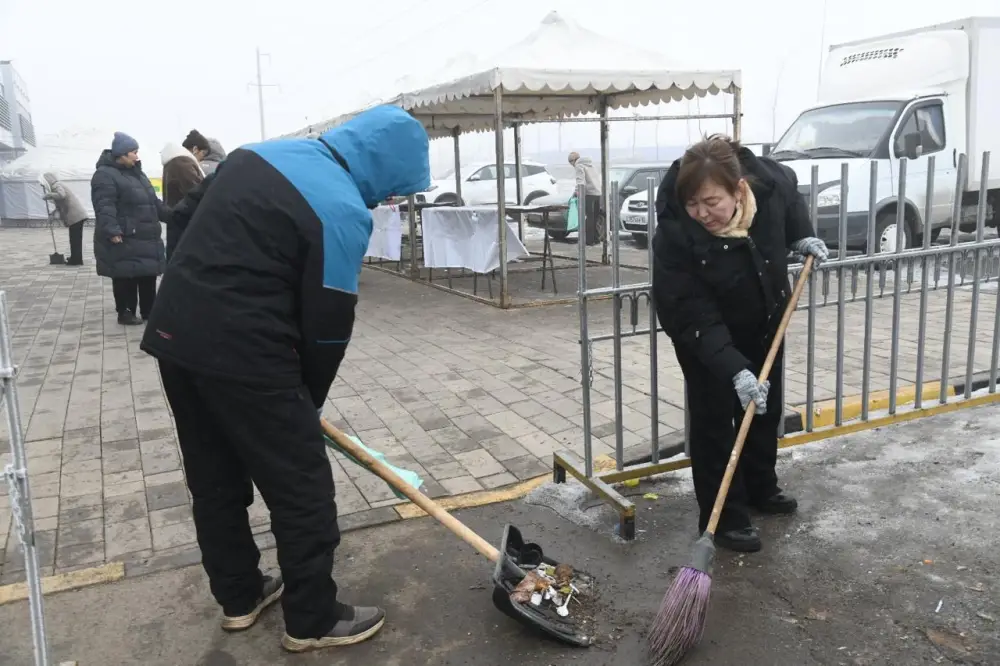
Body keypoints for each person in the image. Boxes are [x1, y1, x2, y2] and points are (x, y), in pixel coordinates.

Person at [139, 105, 430, 652]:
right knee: (302, 488)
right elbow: (327, 328)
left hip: (175, 335)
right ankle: (312, 617)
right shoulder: (341, 208)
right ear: (383, 165)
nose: (386, 199)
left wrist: (192, 286)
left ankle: (240, 597)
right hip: (249, 353)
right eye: (394, 187)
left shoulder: (259, 152)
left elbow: (180, 216)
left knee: (214, 476)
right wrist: (305, 402)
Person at [652, 135, 828, 553]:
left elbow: (790, 191)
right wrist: (733, 367)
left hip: (765, 317)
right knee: (715, 420)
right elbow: (687, 310)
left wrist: (800, 235)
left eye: (711, 202)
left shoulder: (768, 182)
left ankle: (760, 487)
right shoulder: (676, 234)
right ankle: (725, 516)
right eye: (693, 203)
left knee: (763, 409)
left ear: (739, 189)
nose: (702, 214)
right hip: (705, 336)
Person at [91, 132, 170, 325]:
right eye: (133, 152)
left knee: (148, 273)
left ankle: (149, 311)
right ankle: (125, 313)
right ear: (122, 154)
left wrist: (173, 215)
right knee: (125, 274)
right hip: (125, 234)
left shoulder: (138, 174)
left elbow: (152, 201)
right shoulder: (104, 175)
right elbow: (104, 205)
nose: (137, 156)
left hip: (146, 233)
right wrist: (112, 230)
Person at [160, 140, 206, 260]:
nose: (202, 158)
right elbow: (197, 192)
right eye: (203, 153)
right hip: (185, 222)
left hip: (178, 220)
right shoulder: (182, 163)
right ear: (196, 149)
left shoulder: (174, 162)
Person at [41, 171, 88, 265]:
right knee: (75, 239)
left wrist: (49, 195)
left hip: (75, 216)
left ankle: (76, 260)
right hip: (77, 216)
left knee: (75, 239)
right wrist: (52, 215)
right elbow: (59, 206)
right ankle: (75, 258)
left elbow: (61, 195)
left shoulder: (56, 185)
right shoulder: (56, 187)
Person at [568, 151, 603, 245]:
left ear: (573, 160)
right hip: (597, 193)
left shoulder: (579, 166)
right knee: (594, 217)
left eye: (570, 162)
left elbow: (580, 182)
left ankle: (589, 240)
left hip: (589, 194)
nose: (571, 165)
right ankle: (596, 239)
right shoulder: (591, 165)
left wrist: (576, 193)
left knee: (589, 217)